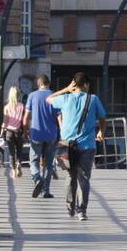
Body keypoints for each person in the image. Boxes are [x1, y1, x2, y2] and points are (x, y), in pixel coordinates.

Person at [47, 73, 107, 221]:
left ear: (73, 85)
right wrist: (101, 131)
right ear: (86, 85)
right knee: (84, 178)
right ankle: (82, 211)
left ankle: (70, 206)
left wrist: (66, 89)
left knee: (70, 175)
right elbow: (103, 118)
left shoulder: (65, 98)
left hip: (67, 145)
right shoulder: (93, 99)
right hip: (87, 145)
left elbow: (48, 99)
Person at [24, 75, 59, 199]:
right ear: (48, 83)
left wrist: (25, 131)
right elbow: (59, 116)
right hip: (51, 134)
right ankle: (45, 191)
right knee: (48, 164)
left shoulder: (32, 96)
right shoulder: (55, 96)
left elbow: (26, 117)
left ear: (38, 84)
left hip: (36, 134)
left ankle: (37, 178)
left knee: (33, 160)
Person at [1, 86, 25, 177]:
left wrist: (2, 131)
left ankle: (13, 170)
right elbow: (24, 120)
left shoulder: (7, 106)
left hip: (9, 132)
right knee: (19, 150)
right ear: (19, 95)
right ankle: (19, 164)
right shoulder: (22, 106)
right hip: (19, 131)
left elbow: (5, 121)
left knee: (11, 152)